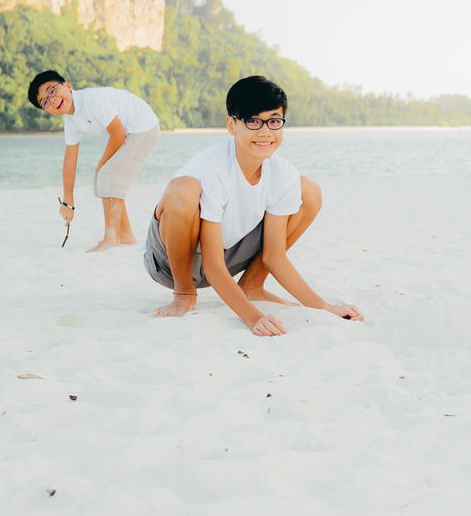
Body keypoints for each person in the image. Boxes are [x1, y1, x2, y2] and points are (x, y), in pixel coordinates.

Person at [144, 75, 363, 335]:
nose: (265, 132)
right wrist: (253, 318)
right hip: (172, 262)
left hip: (228, 257)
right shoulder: (212, 169)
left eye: (274, 121)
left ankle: (252, 285)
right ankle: (184, 293)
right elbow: (213, 265)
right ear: (231, 125)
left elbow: (274, 256)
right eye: (252, 121)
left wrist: (325, 308)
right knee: (184, 189)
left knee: (309, 191)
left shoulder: (282, 174)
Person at [28, 71, 161, 252]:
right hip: (130, 131)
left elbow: (118, 133)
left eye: (51, 91)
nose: (51, 100)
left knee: (106, 174)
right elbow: (70, 160)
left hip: (143, 127)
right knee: (106, 176)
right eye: (45, 102)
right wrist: (68, 202)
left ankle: (111, 239)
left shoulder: (90, 100)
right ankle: (125, 236)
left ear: (67, 86)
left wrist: (100, 165)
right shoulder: (71, 120)